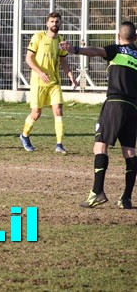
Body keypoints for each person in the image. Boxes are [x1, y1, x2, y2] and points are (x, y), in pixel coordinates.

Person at [60, 21, 137, 209]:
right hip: (133, 107)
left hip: (115, 103)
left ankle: (97, 192)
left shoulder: (116, 50)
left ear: (119, 37)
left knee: (100, 146)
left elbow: (95, 51)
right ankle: (126, 198)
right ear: (135, 38)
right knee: (129, 151)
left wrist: (76, 49)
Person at [19, 12, 77, 153]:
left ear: (60, 23)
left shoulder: (60, 41)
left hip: (54, 82)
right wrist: (40, 72)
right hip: (38, 82)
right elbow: (28, 58)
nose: (54, 24)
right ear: (47, 23)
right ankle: (24, 135)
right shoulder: (38, 37)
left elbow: (63, 61)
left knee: (58, 110)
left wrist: (71, 76)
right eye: (52, 21)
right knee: (36, 113)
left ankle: (59, 144)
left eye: (57, 22)